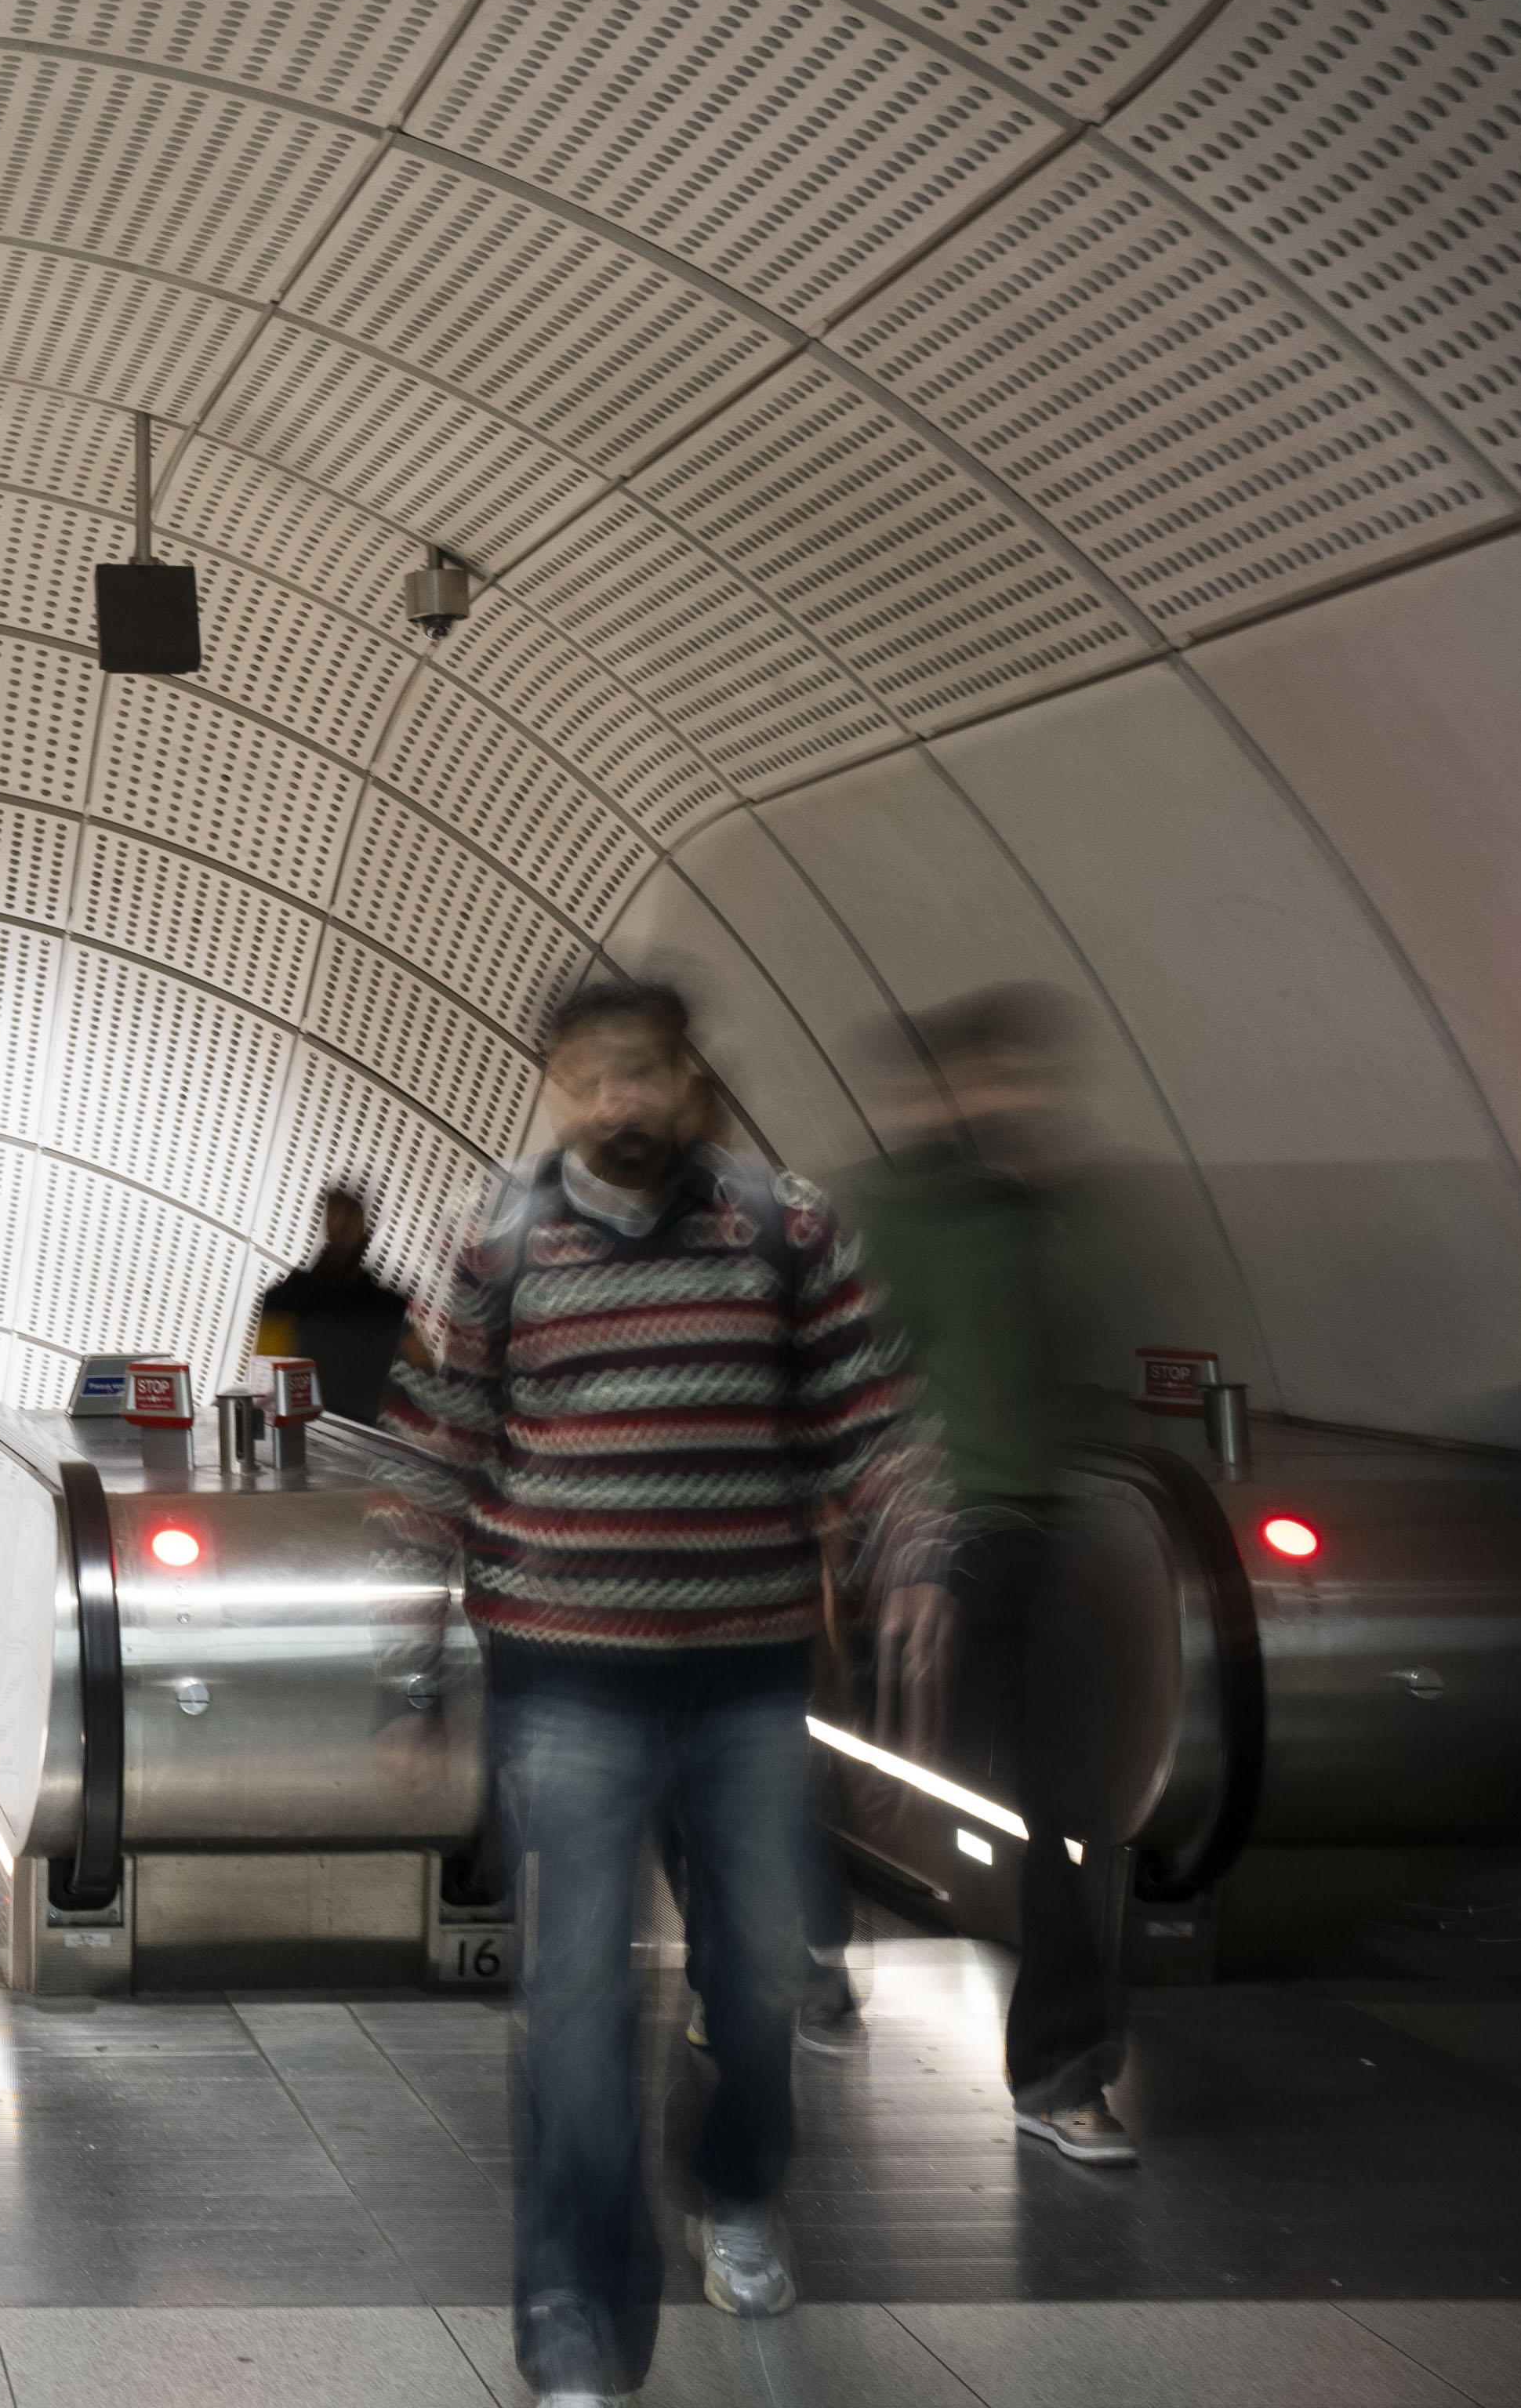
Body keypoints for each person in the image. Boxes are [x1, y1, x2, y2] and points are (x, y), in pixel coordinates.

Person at [391, 977, 948, 2408]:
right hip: (564, 1677)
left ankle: (739, 2175)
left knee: (757, 1980)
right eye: (586, 1078)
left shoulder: (785, 1224)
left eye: (639, 1073)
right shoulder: (496, 1239)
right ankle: (577, 2325)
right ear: (550, 1090)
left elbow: (866, 1419)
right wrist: (406, 1670)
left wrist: (914, 1562)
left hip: (749, 1678)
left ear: (688, 1080)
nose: (615, 1103)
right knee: (573, 2009)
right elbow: (441, 1449)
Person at [849, 985, 1132, 2165]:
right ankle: (799, 1946)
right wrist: (905, 1549)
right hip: (949, 1541)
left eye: (1027, 1077)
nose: (1017, 1100)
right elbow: (862, 1377)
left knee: (1051, 1801)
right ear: (942, 1090)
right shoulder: (898, 1215)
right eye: (991, 1078)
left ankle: (1062, 2070)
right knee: (913, 1779)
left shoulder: (1051, 1213)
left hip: (1044, 1537)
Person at [252, 1180, 411, 1421]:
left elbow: (420, 1385)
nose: (341, 1227)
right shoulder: (284, 1300)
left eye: (348, 1218)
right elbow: (264, 1386)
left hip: (343, 1442)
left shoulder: (391, 1310)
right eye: (336, 1217)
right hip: (320, 1437)